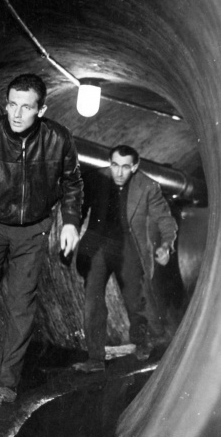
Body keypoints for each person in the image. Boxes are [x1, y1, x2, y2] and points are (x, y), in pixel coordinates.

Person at [0, 74, 83, 404]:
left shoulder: (58, 139)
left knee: (21, 303)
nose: (16, 114)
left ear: (41, 110)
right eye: (11, 105)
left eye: (26, 107)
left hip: (33, 228)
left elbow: (72, 182)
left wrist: (70, 222)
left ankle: (8, 380)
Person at [73, 144, 178, 372]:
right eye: (115, 165)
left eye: (125, 167)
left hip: (129, 247)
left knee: (134, 302)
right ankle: (95, 358)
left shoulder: (148, 186)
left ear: (135, 167)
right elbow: (79, 209)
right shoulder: (95, 179)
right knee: (92, 302)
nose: (119, 172)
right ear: (110, 163)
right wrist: (71, 231)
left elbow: (165, 219)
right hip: (99, 247)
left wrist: (166, 245)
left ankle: (141, 341)